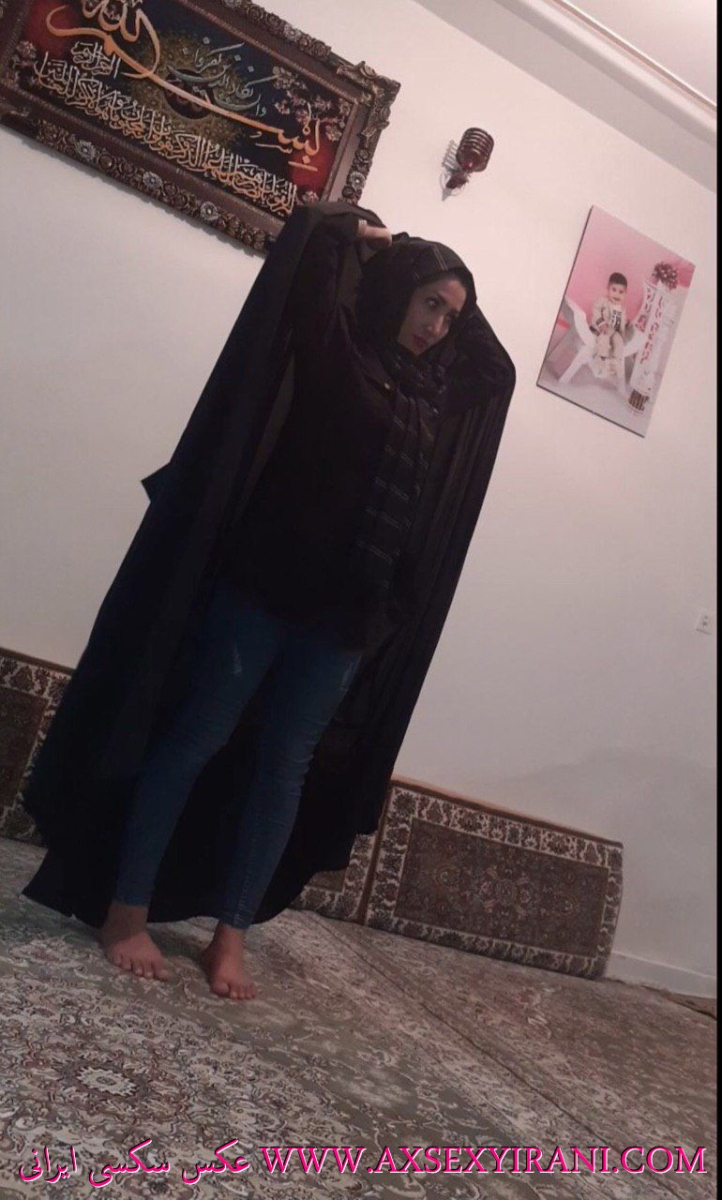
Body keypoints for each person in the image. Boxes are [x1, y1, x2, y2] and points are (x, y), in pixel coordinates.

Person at [21, 202, 516, 1001]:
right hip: (265, 591)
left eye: (450, 318)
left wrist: (455, 286)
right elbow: (309, 257)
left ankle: (231, 934)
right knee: (199, 737)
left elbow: (496, 371)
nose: (437, 328)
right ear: (396, 289)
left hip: (346, 621)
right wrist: (372, 238)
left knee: (284, 768)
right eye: (429, 304)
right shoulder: (337, 349)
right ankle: (126, 909)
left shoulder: (435, 396)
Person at [588, 272, 632, 381]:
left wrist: (623, 330)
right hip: (602, 328)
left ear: (625, 293)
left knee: (619, 341)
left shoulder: (622, 308)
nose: (617, 294)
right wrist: (601, 323)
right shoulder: (603, 301)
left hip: (614, 331)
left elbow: (621, 321)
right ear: (608, 288)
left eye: (621, 292)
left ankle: (614, 362)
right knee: (604, 339)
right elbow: (596, 310)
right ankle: (601, 360)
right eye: (614, 290)